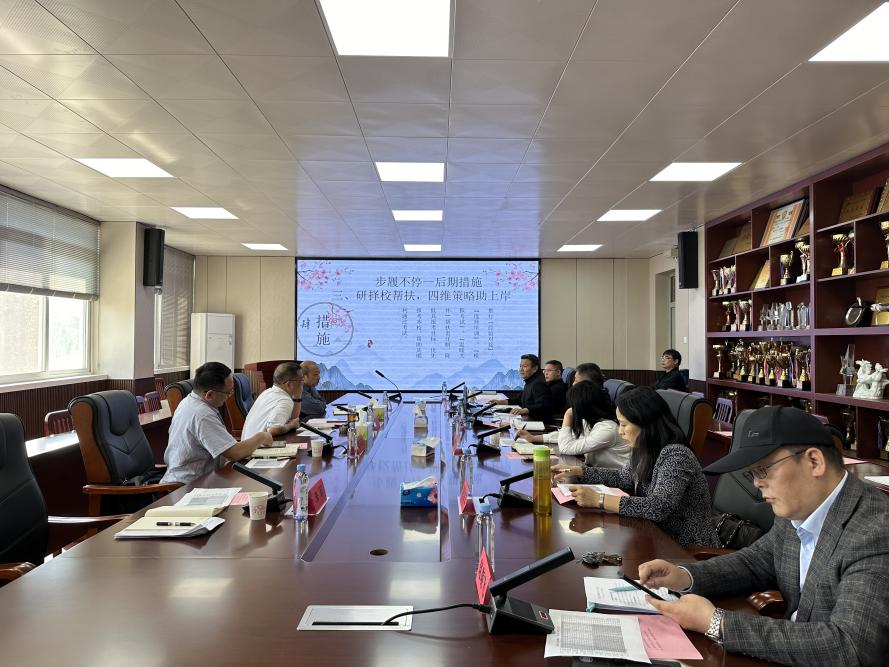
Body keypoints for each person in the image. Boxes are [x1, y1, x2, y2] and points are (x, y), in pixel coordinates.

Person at [638, 406, 889, 666]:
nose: (757, 484)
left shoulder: (875, 531)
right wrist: (685, 577)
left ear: (814, 462)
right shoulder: (797, 508)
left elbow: (850, 646)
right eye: (752, 473)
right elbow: (756, 562)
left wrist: (717, 623)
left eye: (763, 470)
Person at [553, 385, 716, 547]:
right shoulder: (644, 448)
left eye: (624, 424)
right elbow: (623, 478)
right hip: (653, 537)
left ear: (645, 422)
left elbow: (658, 507)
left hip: (685, 549)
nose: (620, 431)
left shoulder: (676, 454)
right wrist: (580, 471)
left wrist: (598, 499)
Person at [161, 362, 273, 485]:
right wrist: (261, 436)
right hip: (188, 486)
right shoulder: (202, 414)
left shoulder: (189, 401)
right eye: (228, 393)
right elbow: (234, 453)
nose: (229, 396)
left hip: (202, 478)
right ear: (209, 394)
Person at [517, 380, 629, 468]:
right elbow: (570, 434)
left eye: (573, 405)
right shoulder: (590, 420)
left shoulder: (607, 429)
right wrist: (534, 438)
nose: (572, 408)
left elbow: (565, 447)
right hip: (595, 471)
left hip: (616, 481)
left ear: (582, 405)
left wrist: (568, 415)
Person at [241, 362, 303, 439]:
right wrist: (291, 425)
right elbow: (273, 430)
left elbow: (293, 418)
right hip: (257, 446)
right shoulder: (284, 400)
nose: (302, 383)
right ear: (288, 384)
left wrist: (298, 396)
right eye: (301, 380)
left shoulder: (267, 392)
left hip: (249, 443)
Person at [492, 353, 552, 423]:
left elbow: (543, 406)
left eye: (525, 366)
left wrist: (525, 410)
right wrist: (502, 402)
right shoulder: (530, 381)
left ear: (535, 368)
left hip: (537, 423)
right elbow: (520, 400)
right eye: (520, 366)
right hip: (527, 420)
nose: (520, 369)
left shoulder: (539, 384)